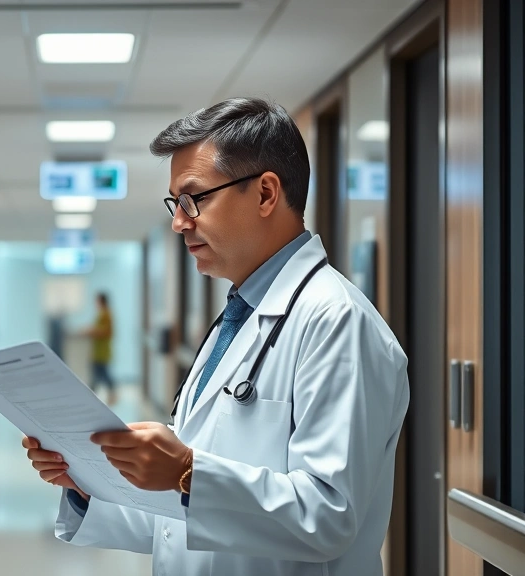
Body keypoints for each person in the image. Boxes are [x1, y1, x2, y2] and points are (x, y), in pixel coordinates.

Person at [22, 97, 409, 576]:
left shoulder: (336, 322)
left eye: (194, 199)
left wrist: (187, 472)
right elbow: (183, 520)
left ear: (265, 193)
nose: (178, 222)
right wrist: (87, 488)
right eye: (175, 203)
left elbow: (328, 516)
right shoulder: (237, 318)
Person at [83, 292, 115, 405]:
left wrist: (92, 331)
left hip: (102, 350)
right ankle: (92, 396)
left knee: (103, 373)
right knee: (97, 374)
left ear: (101, 301)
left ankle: (109, 393)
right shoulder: (101, 314)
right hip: (97, 350)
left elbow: (107, 331)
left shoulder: (106, 314)